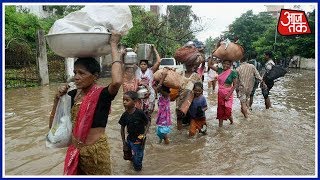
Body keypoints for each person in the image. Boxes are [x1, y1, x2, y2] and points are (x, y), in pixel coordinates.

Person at [49, 31, 123, 175]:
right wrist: (57, 99)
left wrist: (113, 44)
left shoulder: (102, 95)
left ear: (95, 76)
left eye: (82, 73)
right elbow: (53, 127)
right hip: (75, 151)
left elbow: (117, 81)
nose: (76, 77)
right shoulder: (71, 95)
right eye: (75, 72)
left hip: (95, 153)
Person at [119, 91, 150, 171]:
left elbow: (148, 123)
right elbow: (122, 128)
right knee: (128, 156)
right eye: (123, 100)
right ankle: (133, 164)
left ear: (135, 102)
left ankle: (138, 172)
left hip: (139, 138)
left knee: (138, 157)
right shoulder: (125, 115)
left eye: (127, 100)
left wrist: (144, 135)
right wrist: (124, 142)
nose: (124, 102)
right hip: (129, 138)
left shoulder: (140, 113)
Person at [135, 45, 162, 119]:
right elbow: (131, 61)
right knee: (138, 114)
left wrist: (154, 49)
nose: (143, 65)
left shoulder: (151, 71)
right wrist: (136, 49)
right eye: (141, 64)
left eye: (144, 64)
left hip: (149, 94)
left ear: (147, 65)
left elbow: (159, 61)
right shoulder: (137, 70)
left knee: (148, 114)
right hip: (139, 94)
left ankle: (147, 128)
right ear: (139, 65)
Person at [209, 59, 238, 127]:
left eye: (228, 64)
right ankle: (220, 127)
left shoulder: (233, 72)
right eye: (224, 63)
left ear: (230, 65)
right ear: (222, 64)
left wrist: (228, 95)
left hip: (228, 93)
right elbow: (210, 65)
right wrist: (212, 55)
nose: (226, 65)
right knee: (220, 110)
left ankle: (232, 122)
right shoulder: (219, 70)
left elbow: (235, 85)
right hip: (220, 93)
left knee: (228, 110)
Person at [153, 68, 172, 144]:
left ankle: (167, 145)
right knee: (160, 132)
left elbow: (158, 88)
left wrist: (163, 76)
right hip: (161, 116)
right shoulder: (161, 94)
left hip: (164, 117)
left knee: (164, 133)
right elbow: (155, 88)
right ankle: (161, 143)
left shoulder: (166, 95)